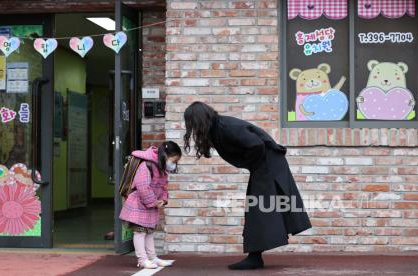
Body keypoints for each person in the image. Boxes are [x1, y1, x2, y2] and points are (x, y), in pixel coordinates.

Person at [183, 102, 312, 270]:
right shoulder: (217, 127)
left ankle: (254, 258)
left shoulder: (225, 127)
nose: (191, 127)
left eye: (191, 123)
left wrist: (253, 164)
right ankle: (255, 256)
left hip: (267, 164)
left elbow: (256, 144)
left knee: (258, 209)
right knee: (258, 208)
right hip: (265, 164)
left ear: (198, 120)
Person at [119, 141, 182, 269]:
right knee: (140, 233)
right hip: (138, 205)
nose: (174, 164)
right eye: (173, 161)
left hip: (149, 206)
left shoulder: (162, 169)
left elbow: (164, 187)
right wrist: (153, 202)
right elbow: (142, 188)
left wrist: (163, 200)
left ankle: (153, 258)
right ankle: (142, 260)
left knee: (149, 232)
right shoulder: (146, 165)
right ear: (164, 156)